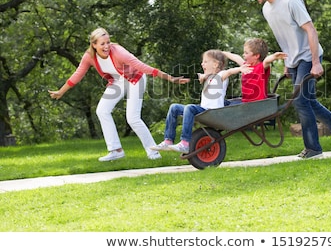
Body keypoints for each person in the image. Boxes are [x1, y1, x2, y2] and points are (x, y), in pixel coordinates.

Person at [245, 0, 331, 159]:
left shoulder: (291, 1)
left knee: (300, 101)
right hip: (294, 59)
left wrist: (316, 62)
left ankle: (313, 148)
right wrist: (288, 62)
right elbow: (284, 38)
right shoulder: (266, 9)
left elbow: (310, 29)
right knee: (309, 101)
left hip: (308, 56)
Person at [48, 27, 190, 162]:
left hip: (136, 79)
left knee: (133, 118)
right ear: (94, 45)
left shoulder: (118, 52)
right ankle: (116, 150)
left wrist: (170, 78)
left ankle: (153, 153)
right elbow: (77, 75)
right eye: (102, 44)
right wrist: (61, 91)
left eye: (108, 42)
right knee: (102, 110)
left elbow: (141, 66)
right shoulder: (89, 57)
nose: (106, 46)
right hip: (117, 81)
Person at [150, 49, 250, 154]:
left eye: (206, 61)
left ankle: (185, 143)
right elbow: (207, 77)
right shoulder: (209, 77)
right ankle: (168, 140)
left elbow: (229, 72)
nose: (202, 64)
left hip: (213, 112)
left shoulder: (221, 76)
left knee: (189, 107)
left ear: (216, 64)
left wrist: (240, 68)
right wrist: (203, 77)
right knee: (174, 107)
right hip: (204, 110)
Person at [222, 38, 287, 103]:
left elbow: (267, 61)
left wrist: (274, 56)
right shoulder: (245, 66)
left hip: (257, 103)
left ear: (256, 56)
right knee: (224, 103)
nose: (243, 55)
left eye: (246, 53)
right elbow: (236, 57)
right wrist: (221, 53)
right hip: (246, 102)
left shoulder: (261, 67)